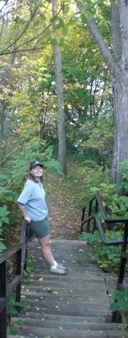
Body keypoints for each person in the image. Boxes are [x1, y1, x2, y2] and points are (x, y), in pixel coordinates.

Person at [17, 160, 67, 275]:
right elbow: (20, 202)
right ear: (31, 171)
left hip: (42, 216)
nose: (38, 170)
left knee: (47, 240)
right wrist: (26, 216)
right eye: (35, 168)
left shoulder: (37, 182)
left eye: (40, 168)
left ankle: (54, 262)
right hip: (37, 219)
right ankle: (53, 266)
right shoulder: (30, 185)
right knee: (45, 244)